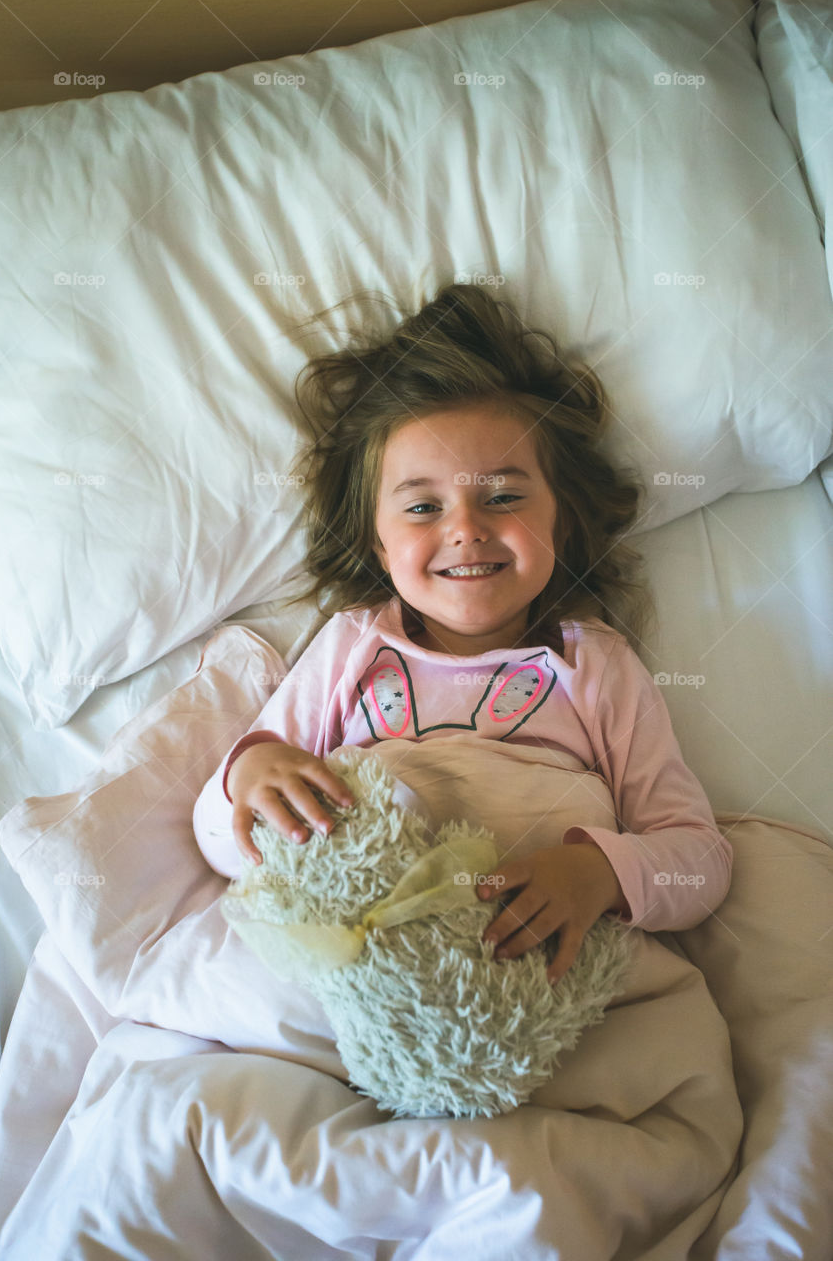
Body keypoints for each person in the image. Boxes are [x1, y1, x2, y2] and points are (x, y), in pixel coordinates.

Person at [193, 282, 732, 985]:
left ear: (561, 520)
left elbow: (698, 859)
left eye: (503, 497)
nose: (464, 529)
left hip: (539, 983)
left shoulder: (592, 662)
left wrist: (598, 871)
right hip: (369, 978)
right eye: (422, 506)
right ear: (379, 547)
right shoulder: (350, 647)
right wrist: (249, 775)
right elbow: (220, 841)